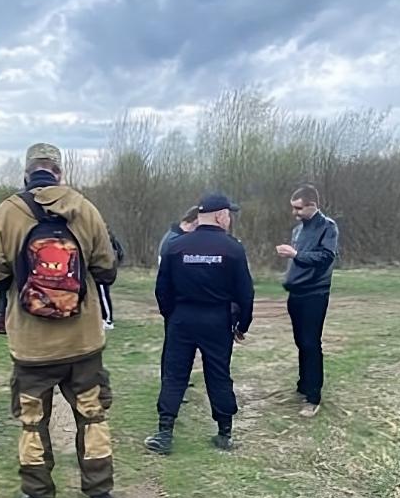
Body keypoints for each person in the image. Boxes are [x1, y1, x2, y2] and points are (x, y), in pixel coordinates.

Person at [0, 142, 119, 498]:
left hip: (31, 346)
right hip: (83, 343)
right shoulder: (84, 207)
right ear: (59, 173)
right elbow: (106, 268)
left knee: (32, 422)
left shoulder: (7, 213)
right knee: (91, 417)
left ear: (27, 173)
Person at [145, 192, 254, 455]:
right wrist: (242, 325)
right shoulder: (233, 248)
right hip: (217, 319)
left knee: (174, 374)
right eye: (228, 214)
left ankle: (164, 432)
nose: (229, 219)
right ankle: (224, 433)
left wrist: (170, 315)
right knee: (218, 373)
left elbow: (162, 289)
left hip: (182, 317)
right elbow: (245, 293)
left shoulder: (176, 246)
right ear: (220, 215)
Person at [276, 184, 339, 418]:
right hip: (296, 293)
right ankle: (303, 384)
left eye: (299, 208)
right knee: (300, 342)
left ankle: (313, 396)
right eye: (293, 208)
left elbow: (326, 257)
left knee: (311, 343)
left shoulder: (328, 227)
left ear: (312, 205)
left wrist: (295, 255)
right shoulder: (297, 230)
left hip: (315, 293)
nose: (295, 213)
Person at [97, 230, 125, 330]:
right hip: (102, 269)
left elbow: (119, 252)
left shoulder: (105, 237)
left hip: (102, 270)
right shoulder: (102, 235)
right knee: (100, 295)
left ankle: (108, 320)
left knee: (103, 294)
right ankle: (103, 318)